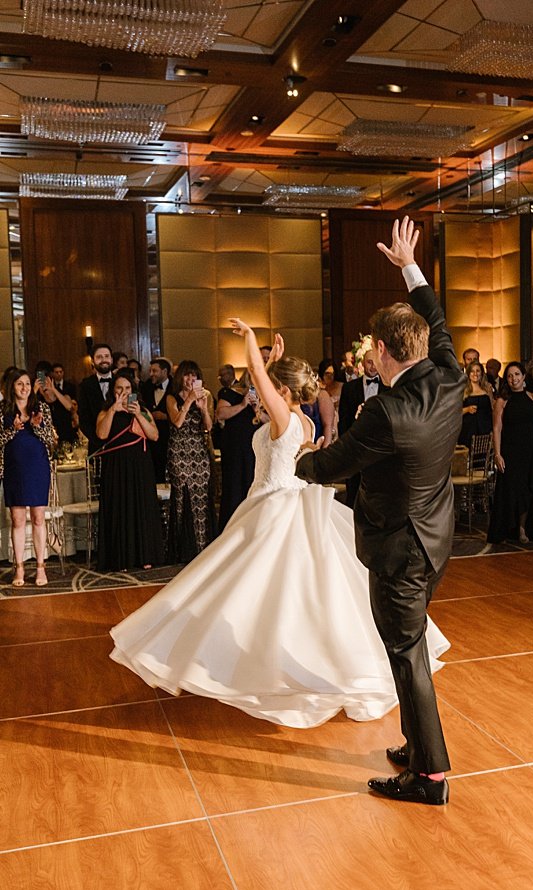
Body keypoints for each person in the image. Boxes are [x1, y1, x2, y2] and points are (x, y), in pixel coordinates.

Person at [111, 319, 450, 735]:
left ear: (282, 392)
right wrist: (273, 362)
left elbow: (258, 381)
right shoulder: (303, 423)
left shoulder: (284, 420)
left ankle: (259, 666)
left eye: (271, 388)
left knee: (247, 592)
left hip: (275, 510)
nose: (261, 394)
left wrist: (253, 347)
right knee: (283, 597)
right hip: (286, 505)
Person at [295, 217, 462, 805]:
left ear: (384, 351)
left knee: (406, 654)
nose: (367, 353)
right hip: (434, 540)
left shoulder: (386, 413)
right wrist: (408, 267)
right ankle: (419, 748)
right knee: (406, 649)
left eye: (371, 346)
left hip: (398, 551)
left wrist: (298, 453)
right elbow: (438, 319)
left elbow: (331, 465)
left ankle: (430, 775)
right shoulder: (448, 377)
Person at [95, 371, 163, 572]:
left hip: (140, 466)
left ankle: (145, 555)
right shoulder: (105, 411)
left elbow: (154, 435)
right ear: (113, 391)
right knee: (120, 509)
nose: (124, 392)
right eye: (119, 388)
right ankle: (121, 558)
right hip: (116, 467)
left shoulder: (142, 410)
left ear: (133, 390)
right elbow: (101, 434)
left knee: (141, 507)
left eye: (127, 389)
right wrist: (113, 411)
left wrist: (137, 414)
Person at [1, 370, 56, 585]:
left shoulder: (41, 408)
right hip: (14, 468)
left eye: (26, 383)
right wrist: (12, 430)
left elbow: (50, 439)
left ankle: (41, 567)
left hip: (37, 467)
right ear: (11, 387)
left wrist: (36, 426)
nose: (24, 388)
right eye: (19, 384)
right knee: (17, 519)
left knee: (38, 518)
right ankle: (20, 567)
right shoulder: (3, 409)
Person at [487, 361, 533, 544]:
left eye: (517, 374)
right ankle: (507, 528)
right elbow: (496, 428)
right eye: (510, 376)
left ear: (524, 376)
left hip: (530, 452)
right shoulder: (502, 401)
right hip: (510, 452)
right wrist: (497, 453)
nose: (513, 379)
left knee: (527, 489)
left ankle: (523, 528)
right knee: (510, 490)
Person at [165, 360, 214, 563]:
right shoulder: (171, 398)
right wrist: (188, 401)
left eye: (194, 375)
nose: (190, 379)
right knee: (182, 496)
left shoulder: (205, 397)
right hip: (179, 452)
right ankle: (183, 549)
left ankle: (204, 545)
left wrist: (202, 408)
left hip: (199, 452)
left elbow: (209, 427)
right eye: (187, 375)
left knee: (202, 496)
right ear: (180, 378)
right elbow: (176, 421)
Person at [337, 348, 385, 507]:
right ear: (363, 363)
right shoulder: (349, 388)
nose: (373, 366)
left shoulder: (389, 387)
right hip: (355, 447)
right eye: (369, 362)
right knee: (354, 491)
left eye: (376, 362)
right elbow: (343, 420)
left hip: (381, 449)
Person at [215, 366, 259, 532]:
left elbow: (270, 421)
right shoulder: (230, 393)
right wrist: (242, 404)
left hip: (255, 448)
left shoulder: (267, 396)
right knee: (233, 489)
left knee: (251, 485)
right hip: (234, 448)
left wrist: (257, 409)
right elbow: (220, 414)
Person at [139, 357, 173, 483]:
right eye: (150, 371)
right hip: (151, 439)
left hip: (170, 437)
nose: (151, 374)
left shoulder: (175, 387)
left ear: (164, 372)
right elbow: (141, 409)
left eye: (154, 371)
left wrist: (165, 417)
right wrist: (149, 417)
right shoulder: (146, 386)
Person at [77, 343, 115, 454]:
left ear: (112, 359)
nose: (104, 360)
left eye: (107, 356)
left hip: (121, 444)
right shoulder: (85, 385)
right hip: (97, 446)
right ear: (93, 361)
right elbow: (83, 419)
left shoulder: (123, 381)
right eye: (99, 357)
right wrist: (98, 440)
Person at [459, 360, 494, 447]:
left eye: (478, 371)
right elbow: (454, 413)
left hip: (485, 430)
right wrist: (467, 409)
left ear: (482, 373)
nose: (475, 374)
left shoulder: (487, 389)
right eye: (472, 371)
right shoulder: (463, 390)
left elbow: (492, 410)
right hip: (468, 431)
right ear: (468, 373)